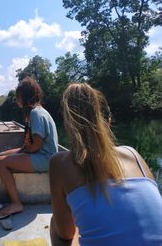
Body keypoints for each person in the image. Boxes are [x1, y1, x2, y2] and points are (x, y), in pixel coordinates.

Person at [49, 83, 162, 246]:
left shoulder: (59, 163)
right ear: (109, 121)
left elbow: (65, 235)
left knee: (56, 225)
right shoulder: (133, 154)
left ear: (68, 123)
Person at [0, 77, 58, 221]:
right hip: (41, 155)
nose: (16, 99)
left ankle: (16, 203)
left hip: (45, 159)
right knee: (0, 156)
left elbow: (37, 145)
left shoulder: (36, 113)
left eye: (17, 96)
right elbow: (31, 144)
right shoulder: (36, 111)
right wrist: (18, 152)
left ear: (24, 96)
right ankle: (13, 196)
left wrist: (19, 154)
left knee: (1, 163)